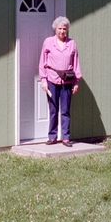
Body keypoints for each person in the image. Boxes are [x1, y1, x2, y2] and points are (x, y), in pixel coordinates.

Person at [39, 16, 82, 147]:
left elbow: (76, 64)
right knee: (53, 110)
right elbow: (42, 63)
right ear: (55, 29)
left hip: (67, 81)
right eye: (59, 28)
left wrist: (76, 82)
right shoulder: (48, 42)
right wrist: (44, 80)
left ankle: (66, 138)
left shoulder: (72, 43)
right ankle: (52, 136)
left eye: (64, 29)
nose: (62, 31)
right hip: (52, 80)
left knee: (65, 111)